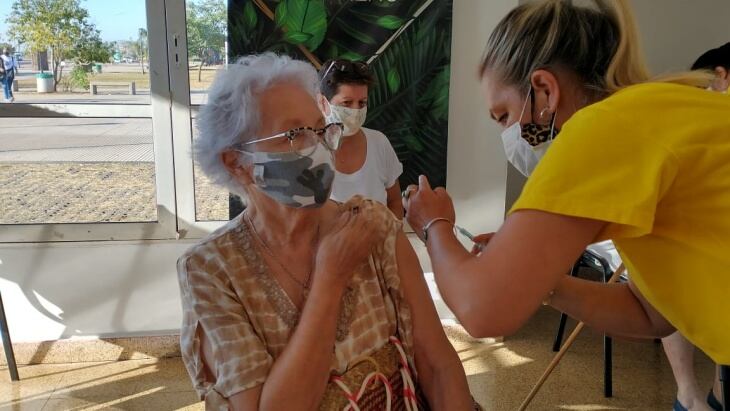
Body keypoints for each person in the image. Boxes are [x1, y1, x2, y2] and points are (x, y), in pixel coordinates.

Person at [401, 1, 730, 409]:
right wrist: (543, 283)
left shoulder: (601, 129)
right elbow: (653, 315)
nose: (507, 134)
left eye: (503, 116)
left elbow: (481, 309)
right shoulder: (656, 112)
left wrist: (434, 223)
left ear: (545, 90)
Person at [177, 53, 477, 410]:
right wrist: (330, 278)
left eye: (320, 130)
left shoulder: (372, 225)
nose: (317, 148)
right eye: (293, 134)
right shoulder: (211, 269)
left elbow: (437, 364)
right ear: (236, 163)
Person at [317, 59, 405, 219]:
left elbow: (395, 203)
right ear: (323, 102)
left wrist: (387, 238)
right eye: (347, 103)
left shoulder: (379, 142)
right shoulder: (308, 150)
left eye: (362, 103)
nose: (356, 110)